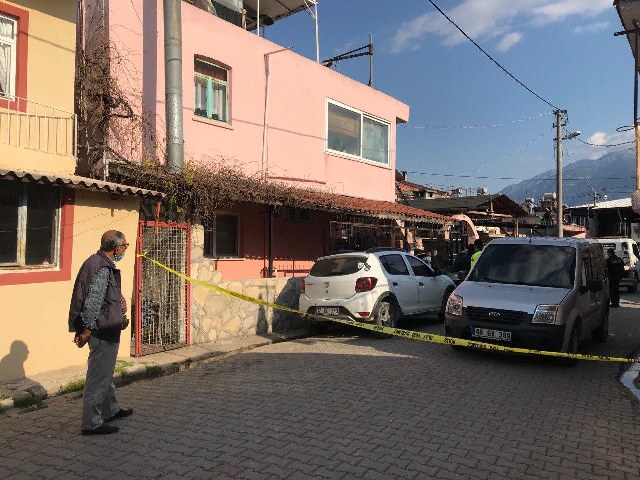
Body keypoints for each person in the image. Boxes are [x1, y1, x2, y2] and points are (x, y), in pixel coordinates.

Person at [68, 230, 133, 435]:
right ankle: (92, 423)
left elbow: (105, 297)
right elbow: (93, 303)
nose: (125, 249)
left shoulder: (97, 262)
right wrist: (86, 330)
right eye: (125, 246)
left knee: (105, 374)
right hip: (101, 332)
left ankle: (110, 410)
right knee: (98, 379)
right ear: (117, 248)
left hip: (105, 329)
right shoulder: (102, 268)